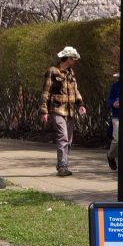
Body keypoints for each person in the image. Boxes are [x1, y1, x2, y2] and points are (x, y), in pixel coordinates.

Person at [40, 46, 87, 177]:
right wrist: (44, 111)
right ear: (67, 58)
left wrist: (80, 104)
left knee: (69, 140)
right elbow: (46, 92)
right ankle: (62, 166)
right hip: (57, 109)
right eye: (73, 58)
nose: (75, 60)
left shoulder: (71, 73)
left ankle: (63, 163)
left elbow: (75, 90)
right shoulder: (53, 71)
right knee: (63, 137)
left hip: (70, 111)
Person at [109, 73, 121, 171]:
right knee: (117, 139)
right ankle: (110, 156)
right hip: (117, 115)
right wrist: (113, 103)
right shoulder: (115, 86)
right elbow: (109, 99)